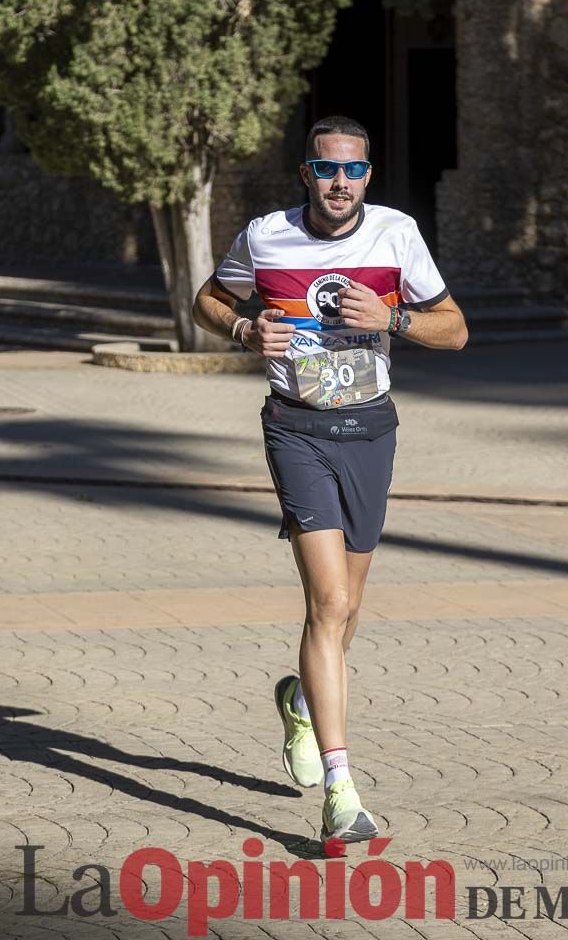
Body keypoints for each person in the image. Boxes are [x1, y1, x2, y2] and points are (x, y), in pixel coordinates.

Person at [192, 115, 468, 842]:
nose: (339, 182)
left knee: (348, 612)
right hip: (296, 428)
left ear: (368, 174)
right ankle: (343, 793)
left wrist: (394, 317)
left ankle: (304, 704)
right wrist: (246, 330)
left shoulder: (397, 234)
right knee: (330, 599)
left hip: (371, 430)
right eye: (325, 170)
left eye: (352, 170)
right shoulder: (265, 235)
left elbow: (456, 328)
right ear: (305, 174)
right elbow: (209, 302)